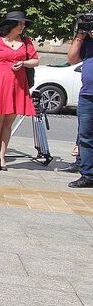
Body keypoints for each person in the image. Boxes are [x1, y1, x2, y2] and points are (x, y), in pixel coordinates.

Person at [0, 11, 38, 171]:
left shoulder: (26, 41)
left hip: (18, 86)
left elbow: (35, 60)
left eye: (23, 24)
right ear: (11, 25)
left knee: (8, 124)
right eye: (20, 23)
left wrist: (24, 63)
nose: (23, 26)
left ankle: (2, 156)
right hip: (1, 85)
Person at [67, 22, 93, 188]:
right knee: (85, 136)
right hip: (87, 95)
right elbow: (72, 59)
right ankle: (88, 175)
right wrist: (80, 36)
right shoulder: (87, 41)